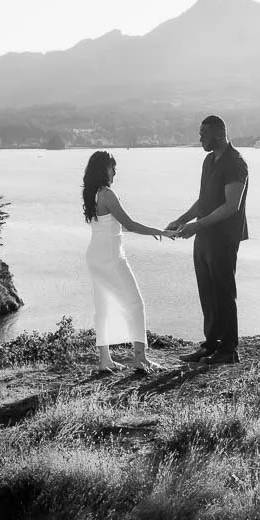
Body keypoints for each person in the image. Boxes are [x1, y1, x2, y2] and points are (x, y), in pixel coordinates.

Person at [167, 115, 249, 364]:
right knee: (207, 292)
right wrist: (182, 220)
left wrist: (196, 226)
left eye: (204, 133)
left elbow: (231, 206)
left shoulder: (236, 163)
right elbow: (203, 200)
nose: (200, 137)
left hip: (223, 238)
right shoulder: (208, 161)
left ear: (218, 133)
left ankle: (229, 349)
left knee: (224, 292)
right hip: (203, 237)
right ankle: (211, 344)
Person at [82, 150, 172, 375]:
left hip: (95, 256)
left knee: (102, 306)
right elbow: (129, 224)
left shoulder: (91, 193)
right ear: (104, 169)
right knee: (135, 303)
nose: (115, 172)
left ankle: (105, 360)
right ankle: (140, 359)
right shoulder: (107, 194)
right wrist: (158, 231)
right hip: (112, 258)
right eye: (112, 167)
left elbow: (113, 226)